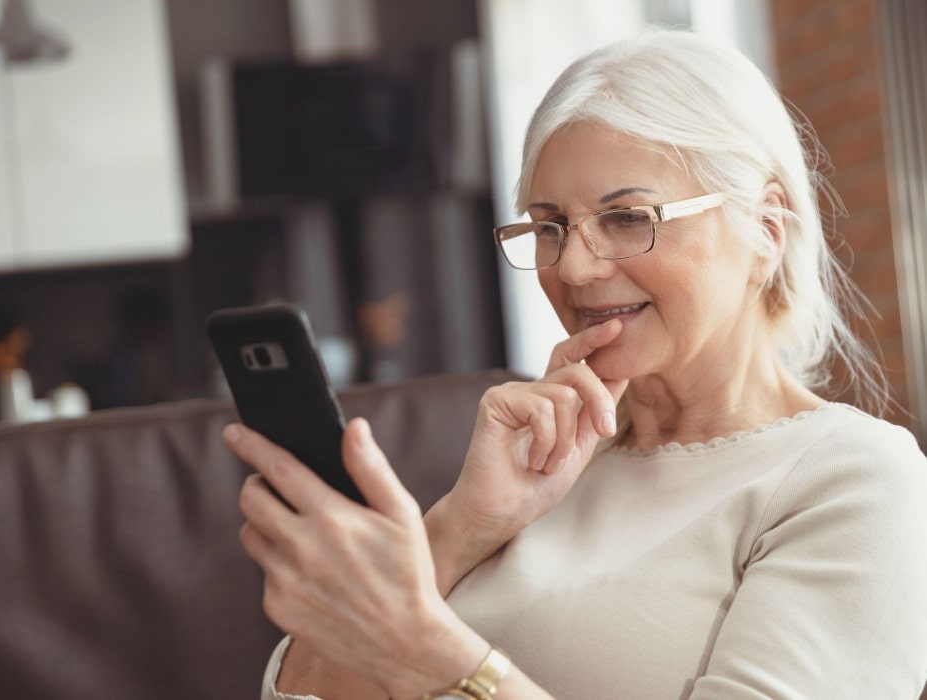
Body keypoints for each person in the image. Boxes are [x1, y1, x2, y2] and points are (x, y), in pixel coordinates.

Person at [223, 28, 927, 699]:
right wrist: (465, 522)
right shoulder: (535, 463)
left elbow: (414, 647)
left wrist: (423, 646)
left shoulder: (860, 479)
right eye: (551, 226)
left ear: (765, 231)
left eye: (628, 219)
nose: (576, 267)